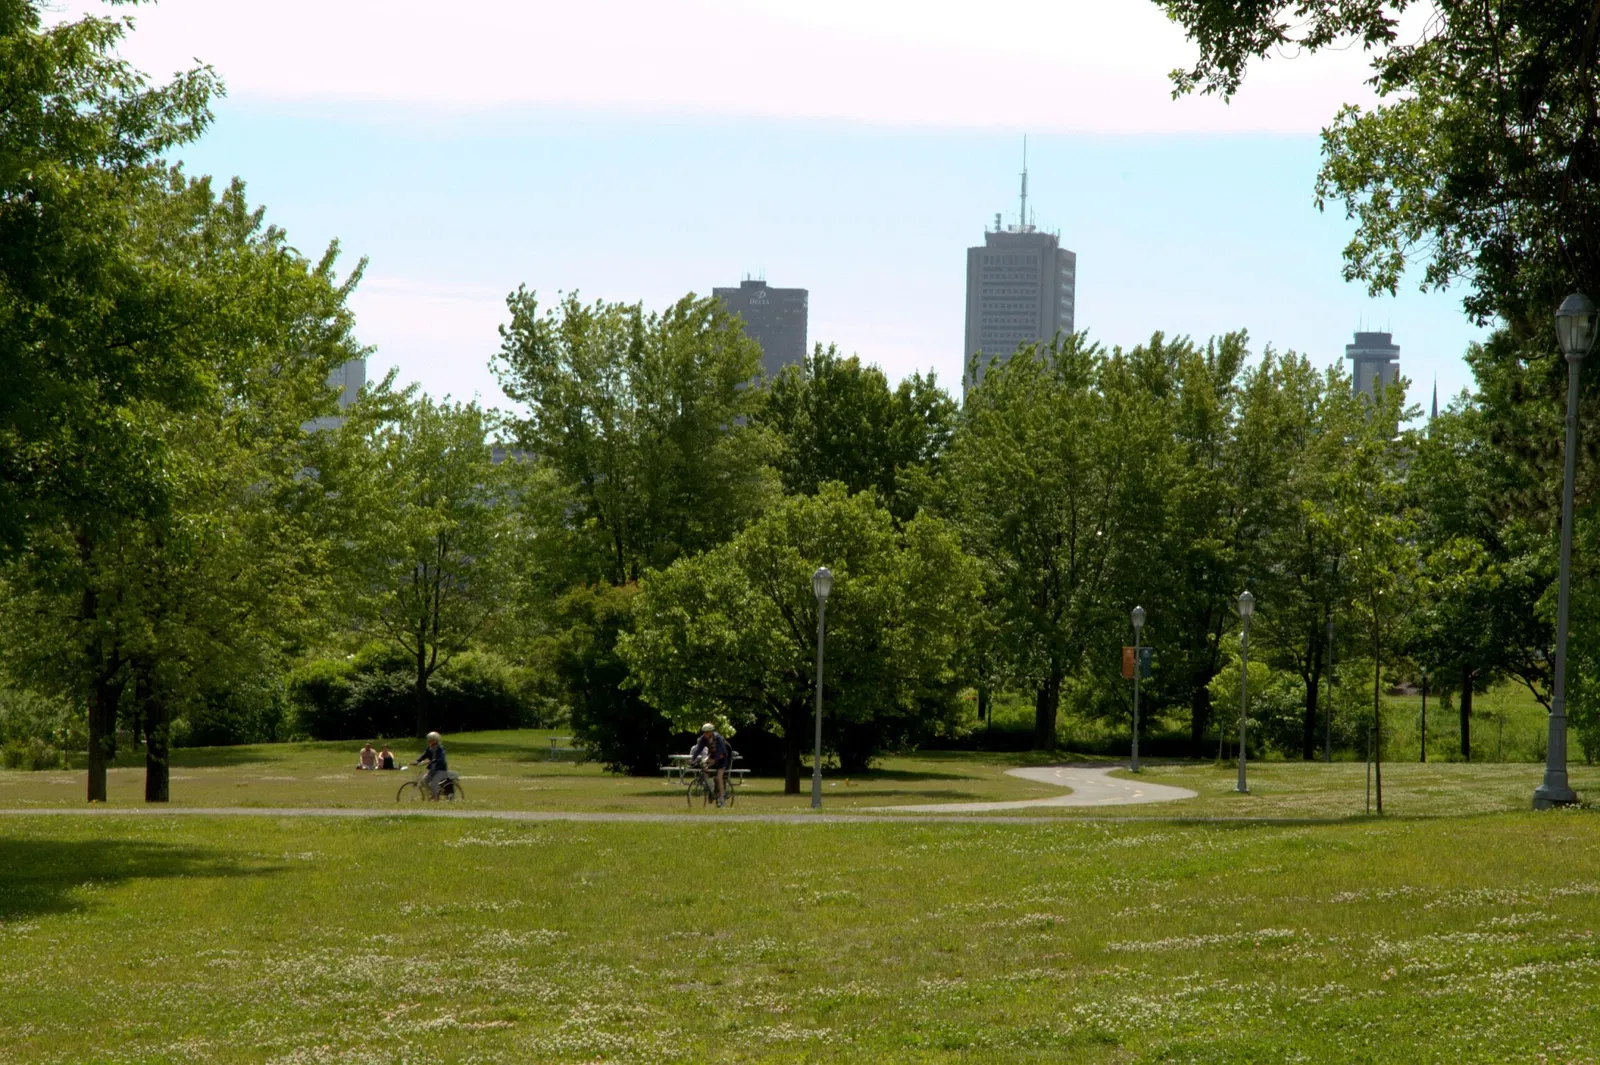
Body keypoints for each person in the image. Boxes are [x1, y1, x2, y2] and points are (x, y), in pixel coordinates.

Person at [689, 723, 730, 807]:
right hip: (712, 756)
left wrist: (713, 761)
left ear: (712, 731)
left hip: (722, 758)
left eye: (707, 732)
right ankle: (711, 790)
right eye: (704, 732)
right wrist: (692, 760)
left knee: (719, 777)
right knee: (704, 768)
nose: (705, 734)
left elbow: (720, 751)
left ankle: (721, 798)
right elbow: (698, 749)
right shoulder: (703, 738)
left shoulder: (718, 738)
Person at [413, 732, 449, 798]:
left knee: (433, 784)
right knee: (424, 781)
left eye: (430, 740)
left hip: (440, 770)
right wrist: (417, 761)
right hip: (432, 770)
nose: (428, 742)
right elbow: (424, 755)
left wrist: (433, 760)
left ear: (435, 741)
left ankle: (435, 798)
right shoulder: (429, 749)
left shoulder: (440, 749)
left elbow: (441, 758)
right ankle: (433, 794)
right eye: (428, 740)